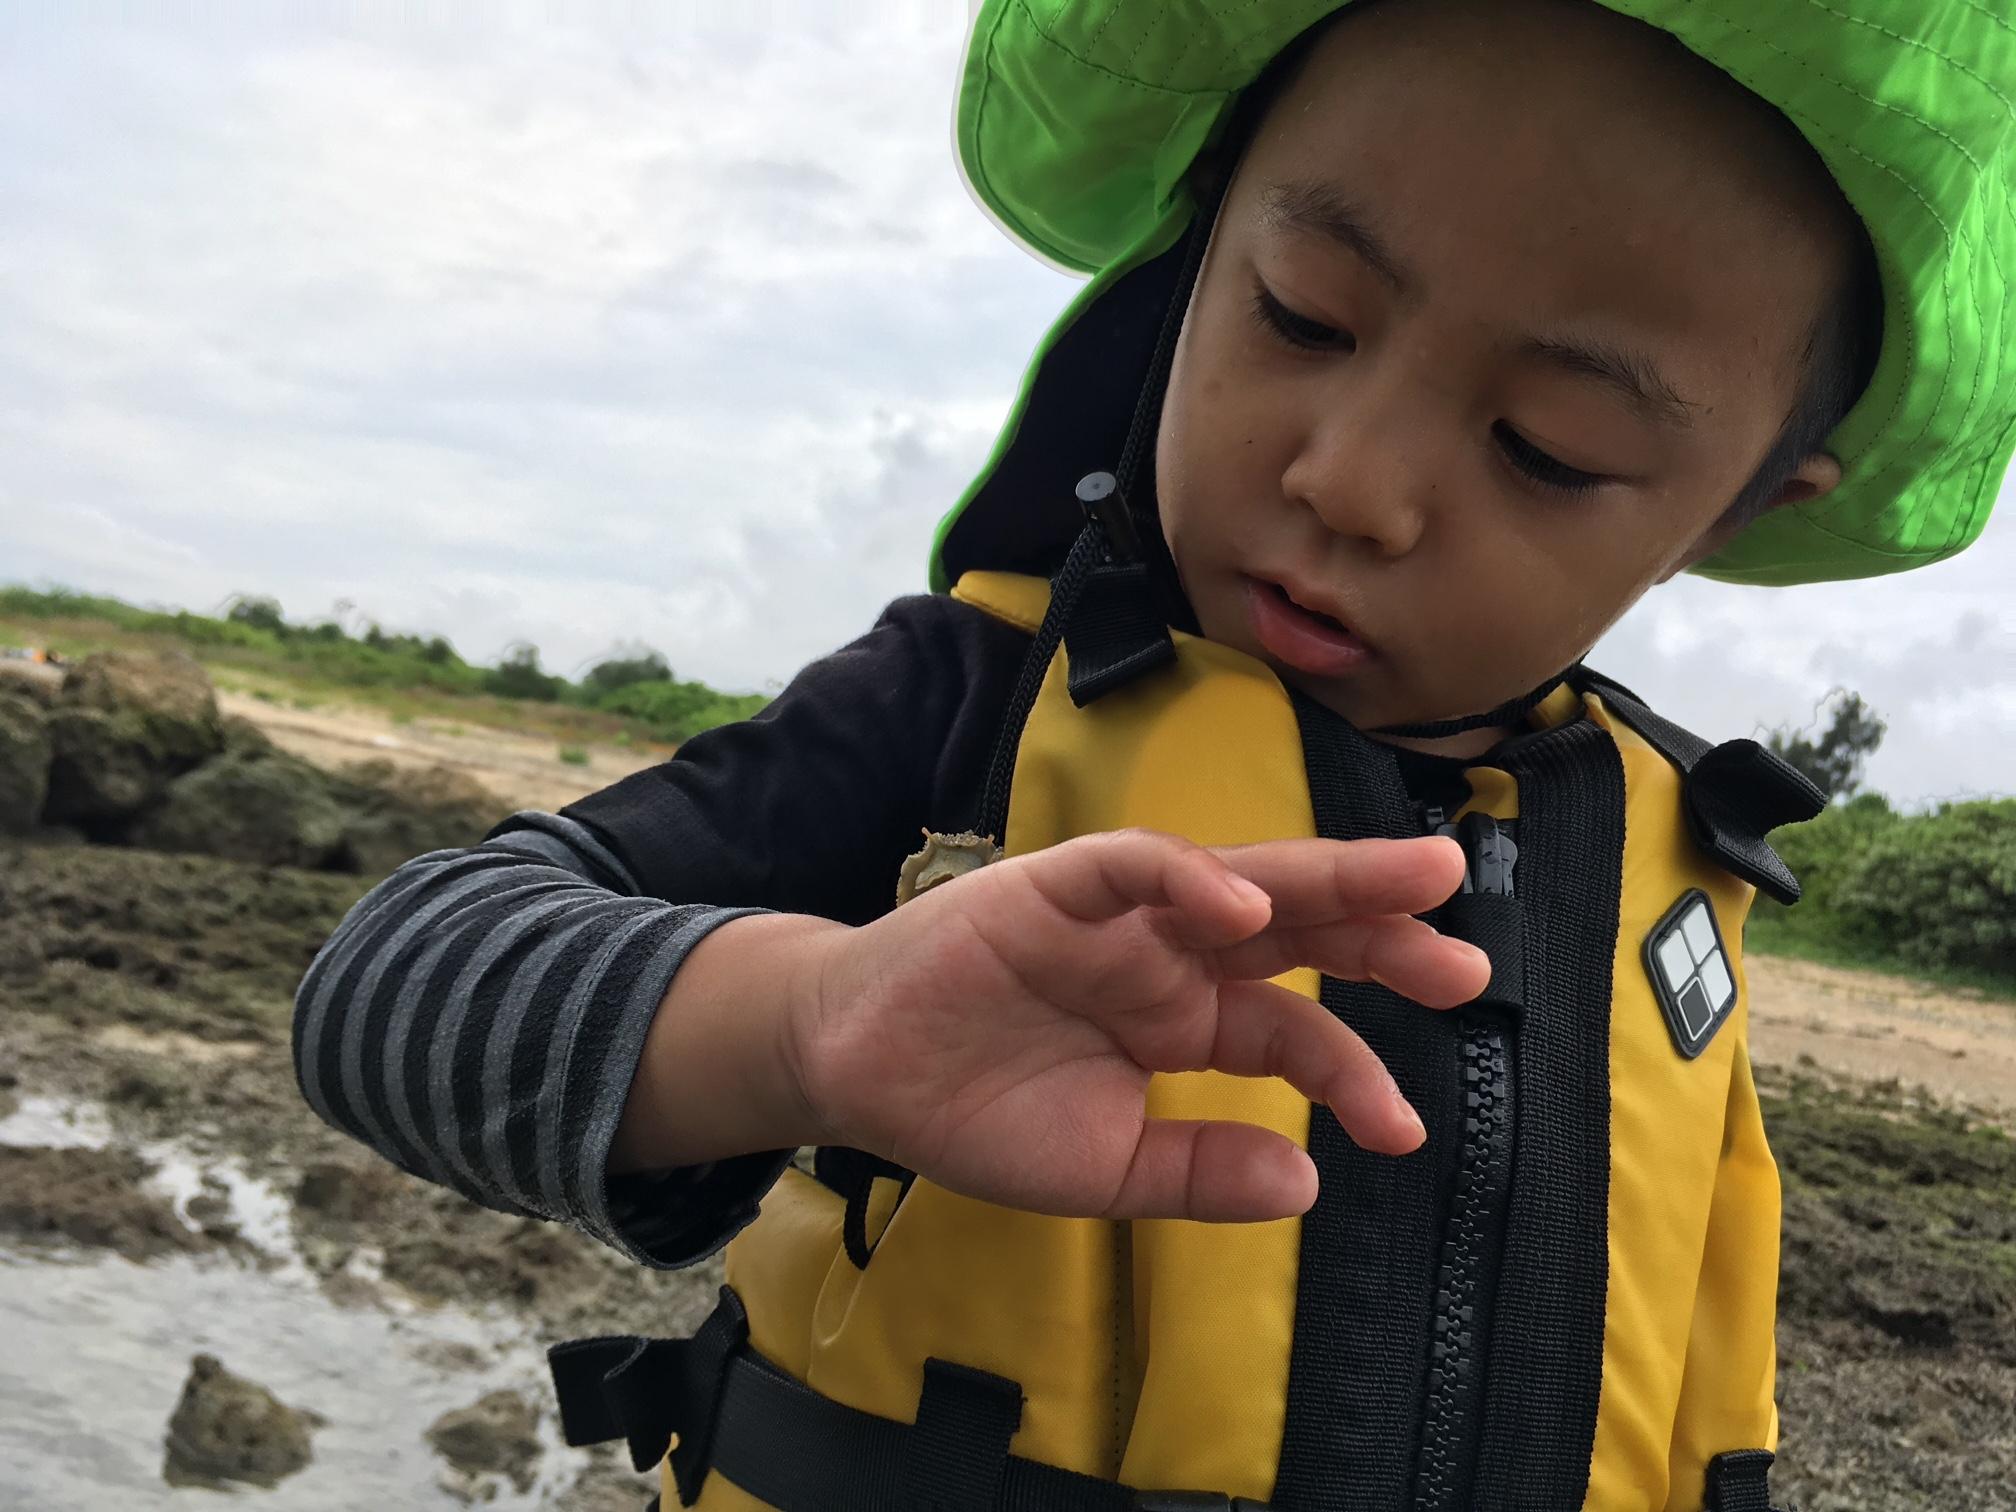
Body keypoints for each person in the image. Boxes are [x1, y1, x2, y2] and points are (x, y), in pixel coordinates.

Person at [294, 2, 2013, 1508]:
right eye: (1306, 317)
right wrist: (807, 1027)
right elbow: (386, 985)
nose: (1352, 477)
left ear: (1737, 509)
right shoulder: (970, 704)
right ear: (1200, 258)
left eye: (1548, 448)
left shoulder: (1674, 865)